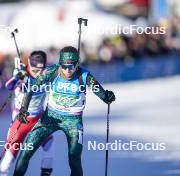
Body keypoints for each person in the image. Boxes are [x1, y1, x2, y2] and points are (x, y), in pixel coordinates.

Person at [13, 46, 115, 176]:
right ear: (59, 64)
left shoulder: (85, 76)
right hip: (50, 118)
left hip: (73, 122)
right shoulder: (52, 71)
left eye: (71, 67)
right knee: (26, 150)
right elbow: (31, 88)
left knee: (74, 158)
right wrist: (23, 109)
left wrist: (107, 96)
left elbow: (102, 94)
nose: (67, 70)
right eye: (64, 66)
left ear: (77, 64)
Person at [0, 51, 54, 176]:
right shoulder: (24, 74)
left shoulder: (46, 74)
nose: (37, 72)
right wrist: (19, 76)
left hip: (38, 119)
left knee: (50, 144)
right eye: (34, 69)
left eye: (40, 69)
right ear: (29, 63)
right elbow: (9, 86)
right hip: (21, 121)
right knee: (9, 156)